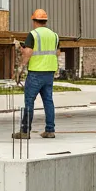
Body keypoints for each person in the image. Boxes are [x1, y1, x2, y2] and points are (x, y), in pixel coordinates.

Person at [14, 8, 59, 139]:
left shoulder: (33, 35)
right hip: (49, 73)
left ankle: (25, 131)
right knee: (48, 101)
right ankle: (50, 130)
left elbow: (28, 53)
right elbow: (57, 53)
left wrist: (20, 68)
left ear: (34, 21)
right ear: (45, 21)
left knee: (29, 101)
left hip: (35, 73)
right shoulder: (54, 35)